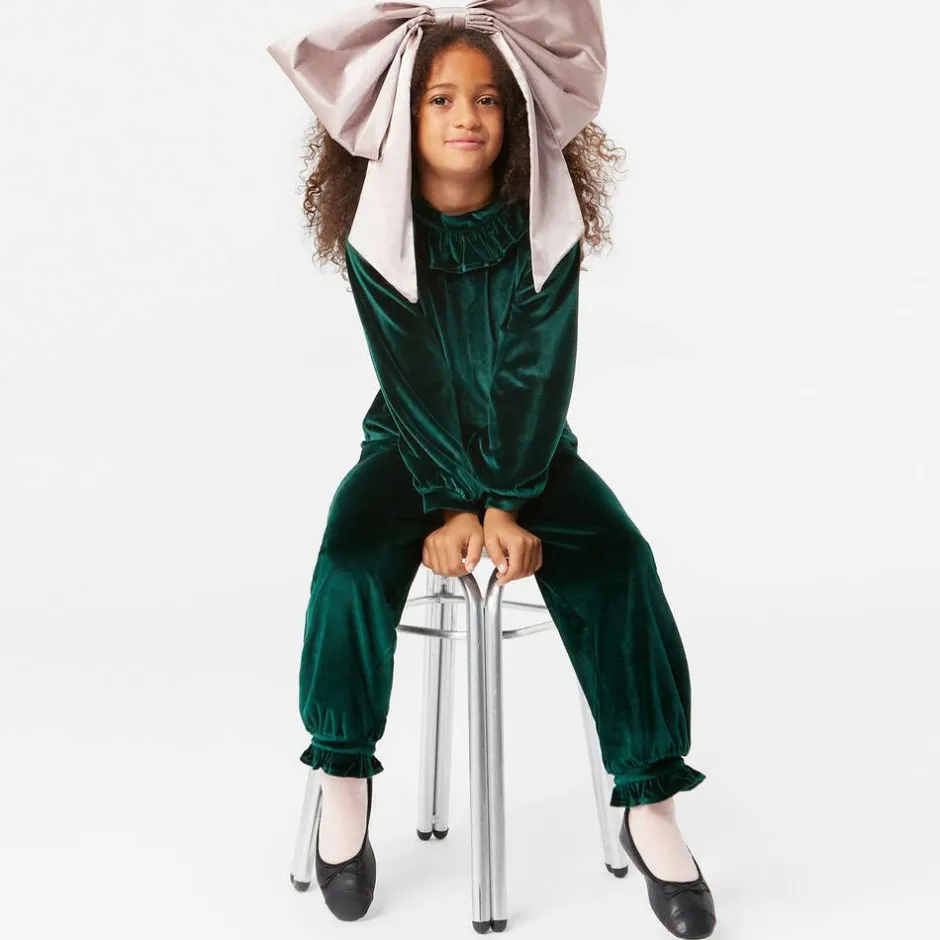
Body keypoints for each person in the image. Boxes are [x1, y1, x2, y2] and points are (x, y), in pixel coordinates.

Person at [268, 3, 717, 936]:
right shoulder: (378, 232)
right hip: (409, 448)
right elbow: (416, 376)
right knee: (348, 566)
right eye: (440, 99)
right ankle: (344, 777)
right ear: (404, 118)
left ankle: (651, 802)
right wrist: (447, 504)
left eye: (486, 99)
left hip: (533, 447)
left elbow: (536, 369)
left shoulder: (543, 225)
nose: (465, 115)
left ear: (515, 118)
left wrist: (507, 502)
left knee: (622, 564)